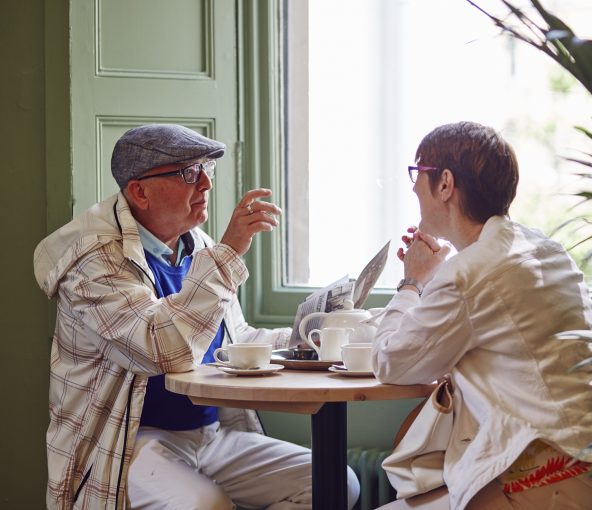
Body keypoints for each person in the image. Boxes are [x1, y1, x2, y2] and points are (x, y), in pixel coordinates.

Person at [33, 124, 359, 510]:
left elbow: (233, 343)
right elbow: (159, 348)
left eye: (207, 169)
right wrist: (231, 251)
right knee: (208, 506)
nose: (205, 184)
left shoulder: (196, 245)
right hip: (130, 440)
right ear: (140, 191)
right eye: (189, 173)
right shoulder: (93, 259)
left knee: (335, 483)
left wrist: (306, 339)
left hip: (210, 435)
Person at [373, 121, 592, 510]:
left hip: (563, 473)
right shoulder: (543, 249)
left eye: (418, 172)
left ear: (445, 184)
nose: (414, 186)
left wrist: (412, 282)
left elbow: (389, 362)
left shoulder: (469, 272)